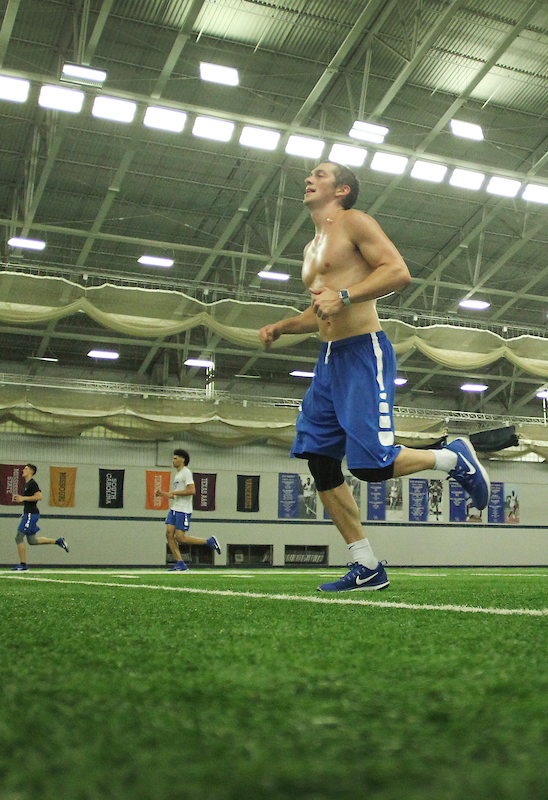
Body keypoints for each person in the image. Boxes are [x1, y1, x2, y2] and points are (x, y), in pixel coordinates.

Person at [258, 161, 491, 592]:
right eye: (310, 174)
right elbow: (320, 311)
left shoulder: (354, 222)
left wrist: (345, 296)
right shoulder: (313, 248)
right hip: (329, 361)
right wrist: (282, 327)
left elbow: (397, 272)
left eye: (321, 174)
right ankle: (366, 564)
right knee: (320, 460)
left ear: (342, 190)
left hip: (364, 353)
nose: (310, 179)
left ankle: (452, 457)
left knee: (371, 466)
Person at [157, 448, 221, 571]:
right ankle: (180, 563)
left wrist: (174, 492)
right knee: (169, 534)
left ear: (182, 460)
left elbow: (191, 491)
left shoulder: (186, 472)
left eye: (175, 458)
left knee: (180, 538)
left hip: (183, 510)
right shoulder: (177, 475)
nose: (173, 460)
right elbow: (173, 495)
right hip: (175, 508)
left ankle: (209, 541)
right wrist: (162, 493)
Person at [10, 463, 68, 571]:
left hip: (31, 514)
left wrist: (23, 498)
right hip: (29, 514)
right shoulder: (27, 484)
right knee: (32, 541)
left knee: (18, 537)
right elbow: (28, 498)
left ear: (31, 472)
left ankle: (23, 565)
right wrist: (20, 498)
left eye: (26, 469)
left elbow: (39, 497)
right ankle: (58, 541)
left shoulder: (32, 484)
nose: (23, 470)